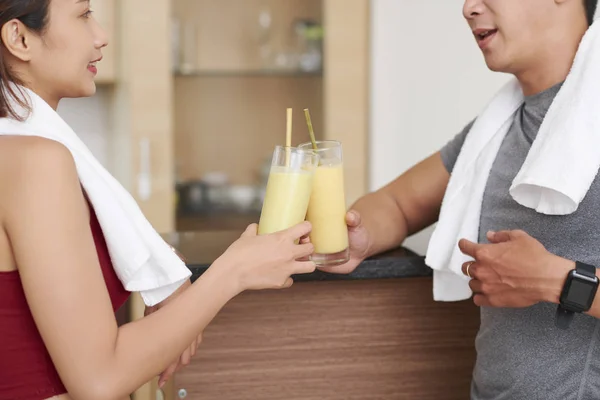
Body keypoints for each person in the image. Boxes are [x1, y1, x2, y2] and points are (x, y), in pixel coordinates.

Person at [0, 1, 316, 399]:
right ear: (19, 37)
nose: (101, 35)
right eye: (83, 15)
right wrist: (233, 270)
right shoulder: (35, 164)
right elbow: (100, 378)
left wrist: (173, 304)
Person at [327, 0, 600, 399]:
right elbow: (398, 204)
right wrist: (357, 237)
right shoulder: (495, 131)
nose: (469, 7)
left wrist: (556, 281)